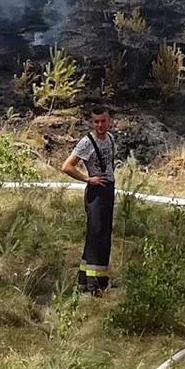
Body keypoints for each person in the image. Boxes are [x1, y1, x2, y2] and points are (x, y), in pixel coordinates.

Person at [60, 101, 116, 293]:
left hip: (108, 189)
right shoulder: (86, 142)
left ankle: (90, 280)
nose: (99, 125)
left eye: (103, 121)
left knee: (104, 235)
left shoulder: (110, 138)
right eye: (96, 122)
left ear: (108, 120)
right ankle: (93, 284)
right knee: (95, 235)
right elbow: (67, 166)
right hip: (95, 193)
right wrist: (87, 179)